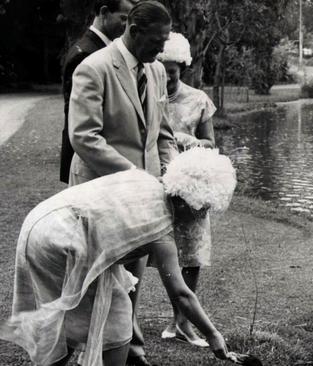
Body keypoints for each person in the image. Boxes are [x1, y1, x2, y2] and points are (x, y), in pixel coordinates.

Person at [0, 148, 246, 366]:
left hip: (40, 221)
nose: (203, 216)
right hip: (60, 238)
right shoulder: (161, 231)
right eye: (203, 209)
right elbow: (181, 294)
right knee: (115, 323)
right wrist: (213, 334)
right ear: (188, 203)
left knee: (81, 311)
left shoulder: (146, 181)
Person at [67, 2, 177, 365]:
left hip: (143, 199)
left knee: (133, 278)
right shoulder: (93, 68)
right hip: (100, 192)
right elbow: (84, 137)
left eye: (165, 42)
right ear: (133, 30)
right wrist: (135, 175)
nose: (162, 50)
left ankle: (131, 350)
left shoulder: (157, 71)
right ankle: (78, 351)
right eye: (157, 41)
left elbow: (163, 134)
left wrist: (173, 174)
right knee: (92, 282)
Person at [155, 31, 217, 347]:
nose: (166, 80)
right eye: (161, 72)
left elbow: (211, 143)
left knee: (191, 254)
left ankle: (180, 322)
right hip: (156, 182)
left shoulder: (198, 100)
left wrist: (193, 142)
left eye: (172, 74)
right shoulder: (148, 97)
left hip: (191, 184)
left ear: (182, 69)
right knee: (160, 251)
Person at [60, 0, 136, 184]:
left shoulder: (103, 49)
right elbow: (78, 119)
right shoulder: (86, 54)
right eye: (123, 18)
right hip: (89, 162)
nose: (127, 26)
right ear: (104, 12)